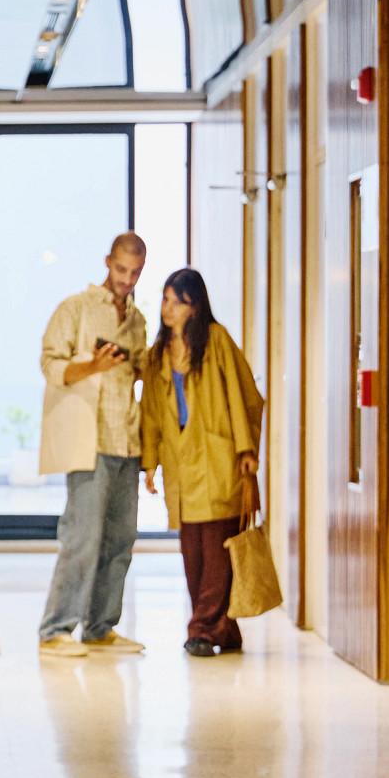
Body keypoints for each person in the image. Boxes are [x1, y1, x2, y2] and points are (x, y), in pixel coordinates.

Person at [139, 267, 264, 657]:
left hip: (218, 458)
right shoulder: (157, 354)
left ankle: (202, 629)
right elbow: (151, 413)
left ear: (196, 306)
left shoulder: (217, 340)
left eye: (179, 301)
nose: (169, 309)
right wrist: (150, 462)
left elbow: (245, 395)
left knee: (217, 551)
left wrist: (246, 450)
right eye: (166, 299)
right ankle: (222, 629)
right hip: (180, 463)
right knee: (193, 553)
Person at [35, 232, 149, 657]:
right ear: (107, 262)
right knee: (82, 537)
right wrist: (92, 365)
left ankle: (100, 628)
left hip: (127, 439)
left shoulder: (137, 321)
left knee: (120, 539)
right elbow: (50, 364)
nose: (127, 279)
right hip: (90, 439)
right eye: (121, 270)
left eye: (135, 272)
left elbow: (138, 372)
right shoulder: (76, 308)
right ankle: (54, 630)